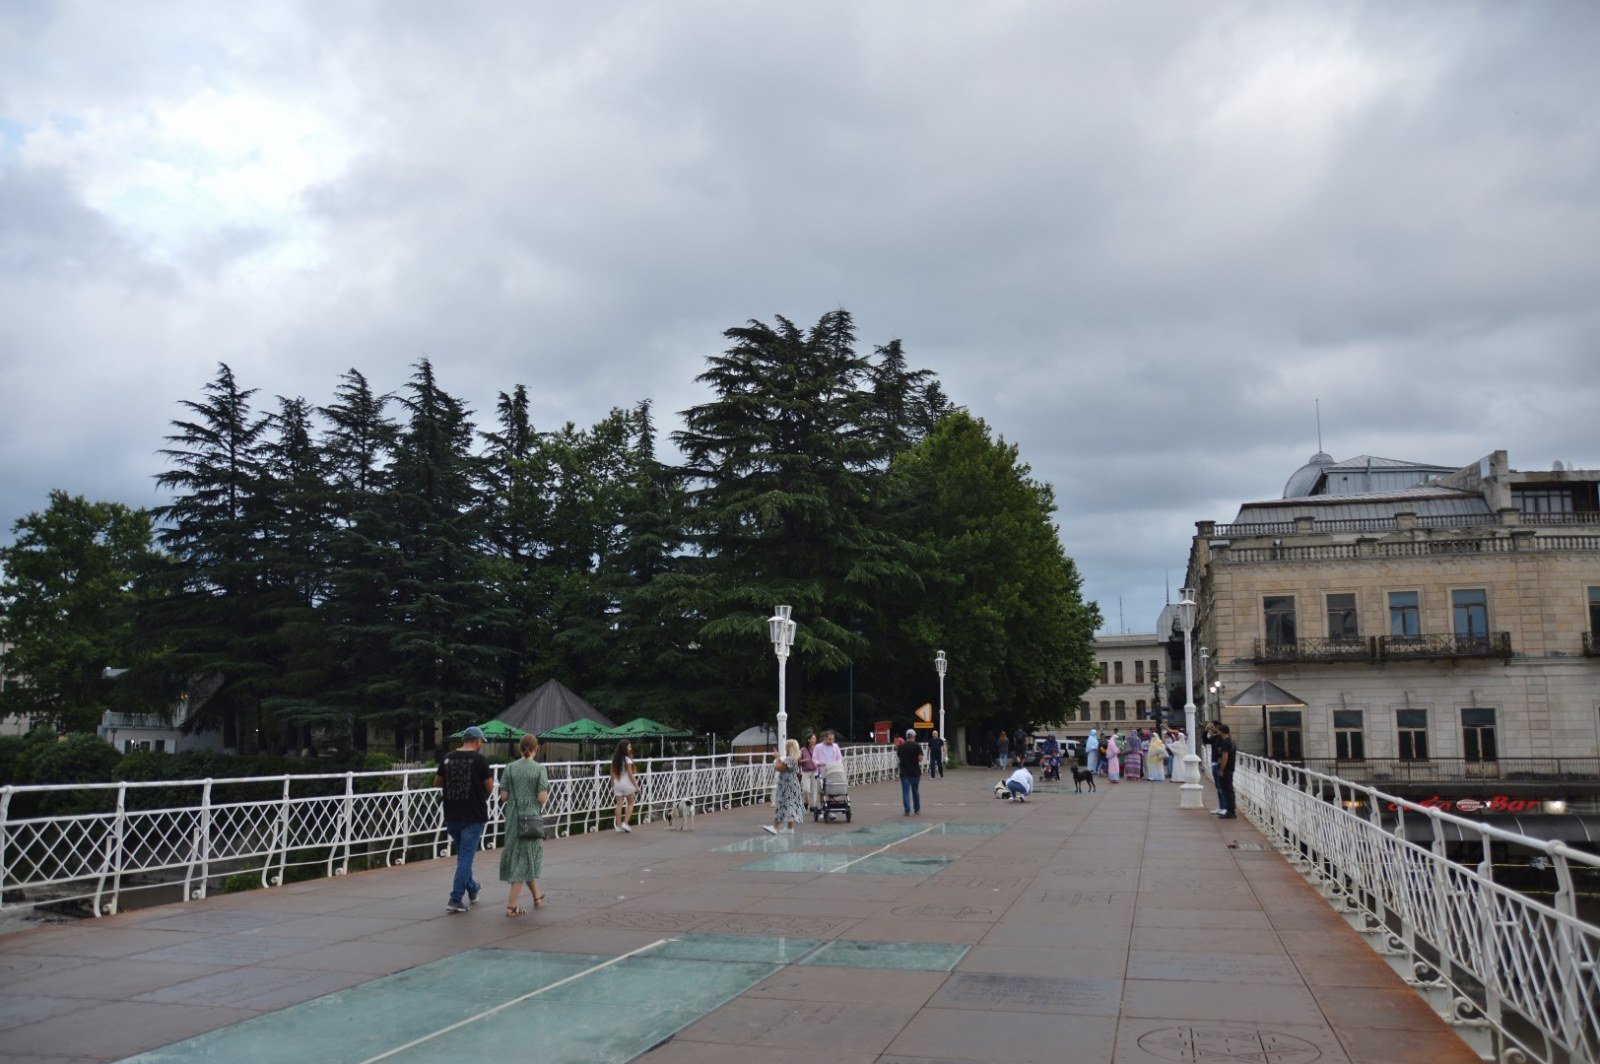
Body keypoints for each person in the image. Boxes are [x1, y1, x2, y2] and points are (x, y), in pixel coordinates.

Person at [435, 725, 494, 913]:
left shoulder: (447, 758)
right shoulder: (480, 760)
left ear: (463, 740)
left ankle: (473, 889)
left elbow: (437, 782)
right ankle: (455, 898)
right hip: (473, 814)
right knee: (466, 858)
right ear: (477, 741)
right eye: (481, 743)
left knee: (463, 856)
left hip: (452, 813)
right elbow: (489, 787)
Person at [499, 734, 550, 916]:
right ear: (536, 749)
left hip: (513, 817)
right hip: (530, 818)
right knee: (524, 858)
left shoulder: (510, 768)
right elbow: (542, 798)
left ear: (520, 749)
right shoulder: (539, 769)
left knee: (521, 855)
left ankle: (536, 895)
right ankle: (511, 907)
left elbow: (504, 796)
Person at [764, 738, 806, 834]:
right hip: (793, 785)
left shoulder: (789, 759)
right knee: (790, 805)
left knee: (783, 804)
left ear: (788, 748)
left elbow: (778, 768)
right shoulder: (795, 759)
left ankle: (774, 827)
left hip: (787, 786)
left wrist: (778, 757)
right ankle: (789, 827)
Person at [610, 739, 638, 832]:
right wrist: (637, 786)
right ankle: (625, 823)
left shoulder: (615, 759)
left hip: (617, 784)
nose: (630, 748)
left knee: (619, 804)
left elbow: (612, 774)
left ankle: (618, 826)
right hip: (626, 784)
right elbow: (630, 775)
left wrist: (612, 785)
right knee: (630, 803)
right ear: (625, 748)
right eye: (629, 746)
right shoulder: (628, 760)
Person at [897, 728, 923, 815]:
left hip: (904, 772)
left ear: (906, 736)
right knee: (915, 790)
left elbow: (899, 756)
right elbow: (920, 759)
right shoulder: (917, 746)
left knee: (905, 791)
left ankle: (907, 810)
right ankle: (917, 808)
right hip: (915, 772)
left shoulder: (901, 747)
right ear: (914, 736)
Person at [1213, 723, 1237, 818]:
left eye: (1219, 732)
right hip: (1230, 769)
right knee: (1229, 790)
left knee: (1227, 790)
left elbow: (1225, 757)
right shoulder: (1231, 741)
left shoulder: (1226, 743)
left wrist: (1221, 770)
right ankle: (1231, 810)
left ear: (1222, 732)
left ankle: (1230, 811)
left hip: (1226, 770)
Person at [798, 732, 819, 809]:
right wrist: (804, 760)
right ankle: (806, 801)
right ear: (808, 740)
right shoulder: (803, 750)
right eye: (813, 738)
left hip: (815, 771)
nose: (814, 740)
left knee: (814, 789)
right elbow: (798, 761)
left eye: (815, 738)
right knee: (806, 789)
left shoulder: (817, 749)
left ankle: (813, 805)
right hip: (806, 771)